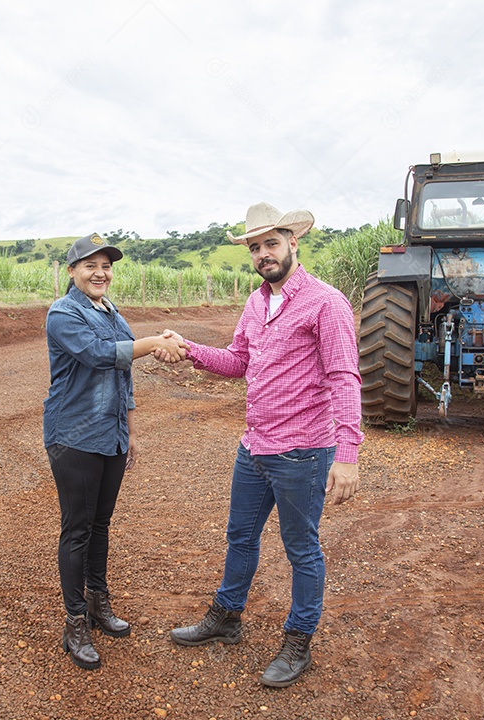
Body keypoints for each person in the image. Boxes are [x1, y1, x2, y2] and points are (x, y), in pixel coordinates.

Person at [158, 202, 363, 687]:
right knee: (240, 536)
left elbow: (344, 378)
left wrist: (348, 455)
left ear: (295, 243)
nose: (263, 254)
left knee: (301, 550)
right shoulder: (256, 302)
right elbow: (237, 361)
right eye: (255, 247)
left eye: (271, 243)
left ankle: (299, 641)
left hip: (303, 452)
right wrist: (190, 350)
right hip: (254, 447)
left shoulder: (325, 302)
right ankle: (227, 618)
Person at [44, 232, 185, 671]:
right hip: (74, 436)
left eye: (106, 266)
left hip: (111, 436)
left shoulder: (113, 313)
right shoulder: (63, 314)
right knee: (77, 529)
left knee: (100, 523)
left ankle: (98, 602)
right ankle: (75, 622)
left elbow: (123, 379)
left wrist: (132, 431)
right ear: (71, 272)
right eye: (89, 265)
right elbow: (102, 356)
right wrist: (157, 343)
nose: (100, 272)